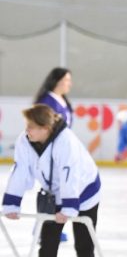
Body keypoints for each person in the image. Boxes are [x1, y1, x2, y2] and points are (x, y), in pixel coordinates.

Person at [1, 104, 101, 257]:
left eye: (32, 126)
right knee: (47, 241)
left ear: (46, 128)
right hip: (55, 193)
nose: (27, 130)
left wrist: (69, 209)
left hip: (84, 190)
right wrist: (12, 203)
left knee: (84, 244)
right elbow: (21, 170)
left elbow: (69, 174)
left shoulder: (66, 141)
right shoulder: (25, 141)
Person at [35, 67, 74, 243]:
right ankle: (44, 228)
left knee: (59, 189)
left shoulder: (63, 100)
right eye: (66, 80)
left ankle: (50, 227)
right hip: (50, 152)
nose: (69, 84)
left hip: (62, 151)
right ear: (56, 81)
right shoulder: (47, 101)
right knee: (51, 190)